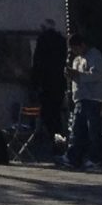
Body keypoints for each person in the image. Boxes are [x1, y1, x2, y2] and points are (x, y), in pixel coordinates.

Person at [62, 35, 102, 171]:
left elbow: (97, 75)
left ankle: (95, 158)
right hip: (80, 97)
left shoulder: (94, 55)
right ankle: (73, 157)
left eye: (76, 48)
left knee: (93, 130)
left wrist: (78, 75)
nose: (75, 52)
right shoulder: (76, 59)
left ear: (82, 45)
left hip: (93, 97)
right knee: (77, 129)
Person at [31, 19, 68, 147]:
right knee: (56, 111)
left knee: (47, 111)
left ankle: (53, 136)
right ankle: (58, 136)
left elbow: (37, 62)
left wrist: (35, 83)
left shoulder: (43, 40)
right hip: (59, 82)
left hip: (45, 82)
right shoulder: (61, 40)